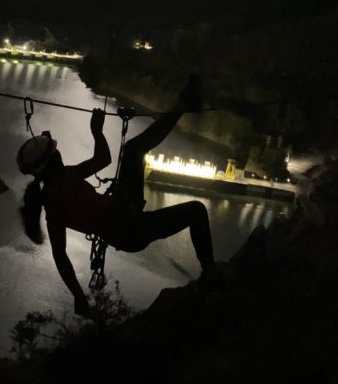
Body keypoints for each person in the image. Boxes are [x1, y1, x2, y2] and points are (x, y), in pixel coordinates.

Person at [17, 75, 215, 316]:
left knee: (133, 151)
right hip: (131, 230)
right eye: (56, 153)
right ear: (50, 163)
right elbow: (60, 257)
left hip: (124, 210)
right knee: (195, 210)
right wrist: (97, 132)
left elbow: (102, 161)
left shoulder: (61, 185)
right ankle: (211, 275)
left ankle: (183, 105)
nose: (59, 155)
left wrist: (97, 131)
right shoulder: (58, 195)